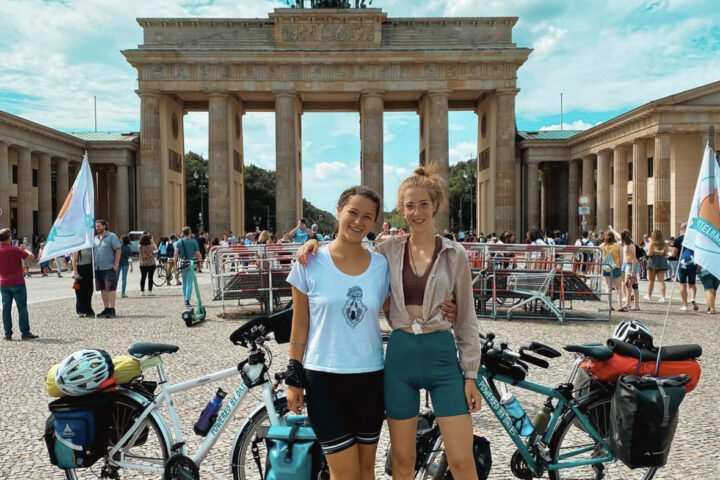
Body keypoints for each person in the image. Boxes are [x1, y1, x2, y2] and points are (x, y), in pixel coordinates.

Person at [296, 167, 480, 480]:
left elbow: (466, 317)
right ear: (401, 209)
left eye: (423, 204)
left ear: (435, 205)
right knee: (402, 465)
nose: (416, 212)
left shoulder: (454, 253)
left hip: (441, 355)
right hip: (400, 356)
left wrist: (471, 374)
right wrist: (313, 245)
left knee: (462, 463)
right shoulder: (386, 251)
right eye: (409, 205)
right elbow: (351, 254)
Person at [0, 228, 38, 340]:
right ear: (9, 237)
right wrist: (26, 249)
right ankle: (25, 332)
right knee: (22, 308)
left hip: (4, 283)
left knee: (6, 308)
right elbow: (31, 258)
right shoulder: (14, 250)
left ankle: (7, 333)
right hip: (17, 282)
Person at [93, 219, 122, 317]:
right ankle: (106, 308)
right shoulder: (95, 239)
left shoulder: (112, 236)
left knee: (111, 288)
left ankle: (112, 309)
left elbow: (118, 250)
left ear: (104, 226)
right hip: (98, 268)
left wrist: (116, 264)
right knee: (102, 289)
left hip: (109, 267)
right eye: (96, 226)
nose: (97, 228)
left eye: (99, 226)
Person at [173, 227, 202, 310]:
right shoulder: (193, 242)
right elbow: (198, 253)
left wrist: (175, 264)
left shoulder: (179, 242)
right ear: (190, 233)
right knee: (190, 282)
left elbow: (175, 254)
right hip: (191, 263)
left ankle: (185, 298)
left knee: (184, 282)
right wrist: (200, 262)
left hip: (182, 263)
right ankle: (187, 300)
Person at [674, 222, 698, 311]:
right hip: (693, 262)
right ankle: (692, 298)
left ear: (682, 229)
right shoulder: (695, 239)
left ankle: (685, 305)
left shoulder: (679, 239)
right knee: (692, 284)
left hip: (682, 263)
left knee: (682, 284)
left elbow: (674, 253)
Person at [600, 229, 624, 311]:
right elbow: (621, 258)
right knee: (619, 288)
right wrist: (621, 267)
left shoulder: (603, 246)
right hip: (616, 267)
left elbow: (597, 252)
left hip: (606, 267)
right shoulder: (618, 246)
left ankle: (609, 305)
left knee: (608, 286)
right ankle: (620, 305)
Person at [645, 229, 669, 303]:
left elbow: (650, 253)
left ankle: (649, 296)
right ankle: (663, 297)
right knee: (661, 281)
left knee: (651, 280)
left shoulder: (652, 243)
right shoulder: (665, 243)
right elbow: (666, 253)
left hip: (652, 261)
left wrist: (646, 253)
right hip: (661, 260)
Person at [72, 247, 95, 318]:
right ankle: (80, 310)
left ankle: (88, 310)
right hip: (80, 270)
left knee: (89, 290)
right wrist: (76, 273)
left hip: (89, 270)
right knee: (80, 291)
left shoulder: (91, 247)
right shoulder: (77, 248)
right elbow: (74, 261)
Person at [621, 229, 640, 311]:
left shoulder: (629, 245)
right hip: (629, 265)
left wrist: (633, 271)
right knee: (631, 286)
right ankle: (633, 304)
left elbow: (634, 259)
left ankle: (631, 304)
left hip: (631, 265)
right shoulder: (629, 244)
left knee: (630, 286)